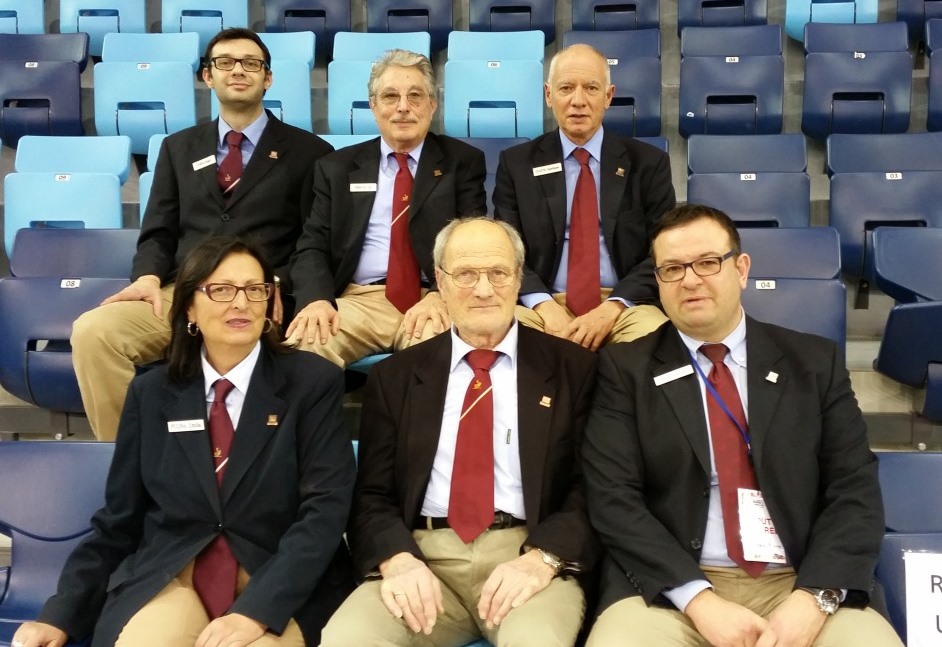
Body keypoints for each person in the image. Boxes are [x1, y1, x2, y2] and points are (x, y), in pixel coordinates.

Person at [581, 204, 903, 647]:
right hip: (671, 590)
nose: (690, 279)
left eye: (708, 262)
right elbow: (613, 499)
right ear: (658, 281)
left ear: (741, 268)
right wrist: (698, 600)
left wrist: (813, 598)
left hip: (801, 579)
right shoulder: (625, 370)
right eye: (672, 268)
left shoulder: (813, 362)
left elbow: (855, 491)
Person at [12, 237, 355, 647]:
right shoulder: (152, 393)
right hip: (175, 572)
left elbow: (324, 515)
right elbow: (118, 522)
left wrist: (256, 612)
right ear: (189, 306)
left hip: (278, 576)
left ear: (271, 303)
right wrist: (60, 614)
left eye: (255, 289)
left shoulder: (313, 383)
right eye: (221, 290)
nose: (241, 303)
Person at [319, 218, 600, 647]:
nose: (484, 290)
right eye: (466, 275)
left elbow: (594, 487)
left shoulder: (573, 370)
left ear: (518, 278)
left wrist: (544, 558)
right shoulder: (396, 378)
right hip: (422, 559)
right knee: (347, 639)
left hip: (528, 557)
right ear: (441, 284)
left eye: (498, 273)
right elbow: (372, 495)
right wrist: (396, 559)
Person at [72, 27, 334, 440]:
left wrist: (277, 283)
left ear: (268, 78)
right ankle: (128, 462)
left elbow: (313, 241)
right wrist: (148, 277)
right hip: (185, 294)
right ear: (207, 77)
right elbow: (158, 232)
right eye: (224, 62)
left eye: (251, 63)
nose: (238, 71)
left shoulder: (311, 152)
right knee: (93, 332)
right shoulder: (178, 148)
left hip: (260, 295)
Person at [287, 49, 487, 368]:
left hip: (432, 299)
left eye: (415, 96)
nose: (403, 107)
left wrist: (441, 293)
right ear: (373, 106)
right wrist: (315, 300)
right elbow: (312, 246)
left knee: (435, 362)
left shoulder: (462, 162)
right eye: (390, 96)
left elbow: (472, 243)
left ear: (432, 105)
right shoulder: (336, 168)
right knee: (303, 348)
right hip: (358, 301)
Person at [493, 43, 675, 352]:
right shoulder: (517, 164)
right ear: (549, 95)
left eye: (591, 88)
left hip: (623, 306)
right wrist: (543, 305)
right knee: (499, 334)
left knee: (656, 341)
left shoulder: (649, 163)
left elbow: (663, 252)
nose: (578, 101)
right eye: (566, 88)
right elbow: (506, 251)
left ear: (608, 95)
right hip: (540, 305)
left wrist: (612, 307)